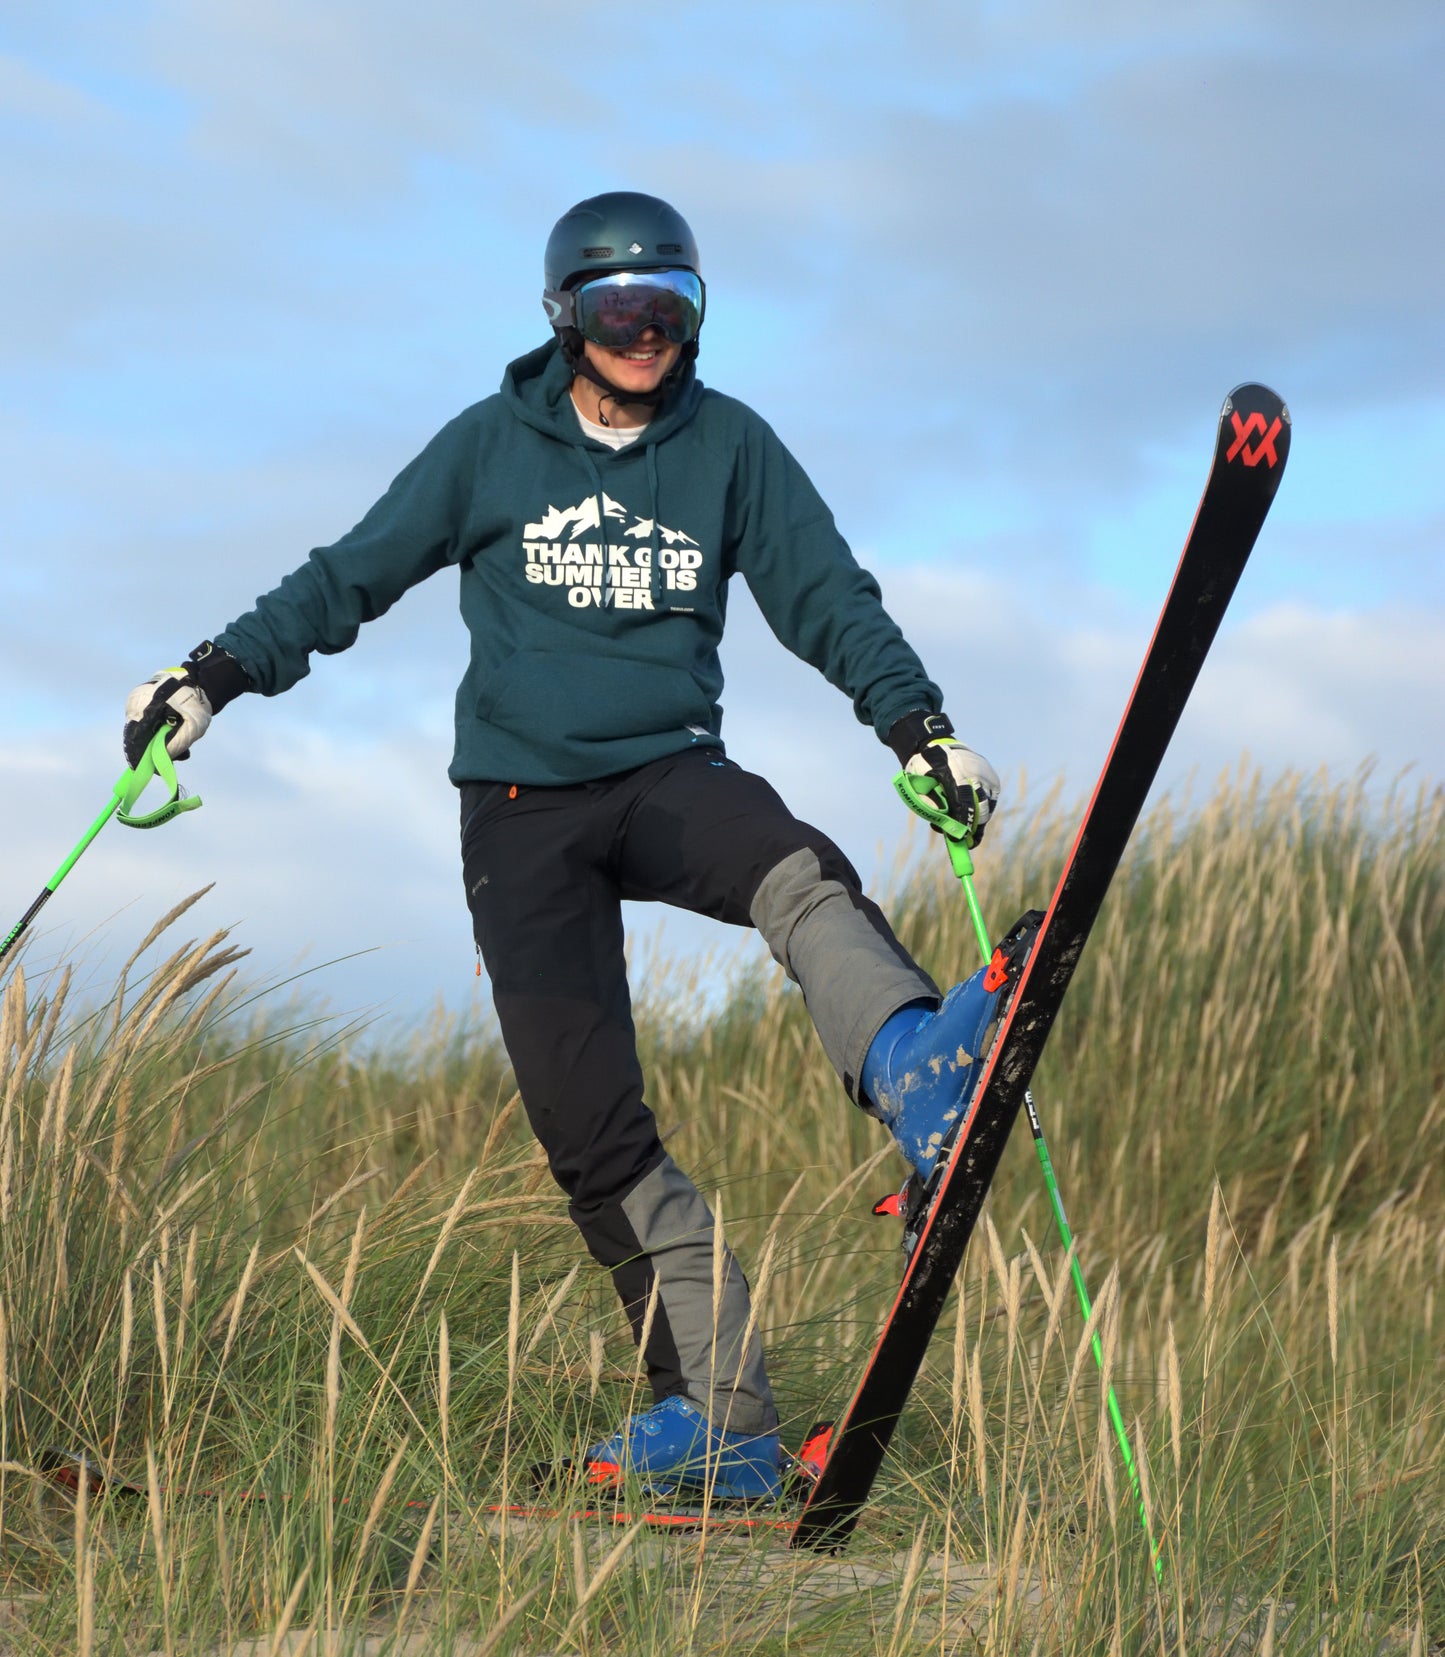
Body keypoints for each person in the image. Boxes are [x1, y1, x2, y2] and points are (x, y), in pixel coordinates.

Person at [122, 191, 1005, 1503]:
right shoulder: (490, 447)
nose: (646, 334)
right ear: (566, 318)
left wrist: (916, 726)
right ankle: (721, 1422)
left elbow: (827, 593)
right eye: (617, 309)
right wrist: (211, 676)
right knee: (589, 1130)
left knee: (793, 863)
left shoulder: (729, 446)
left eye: (671, 308)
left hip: (664, 773)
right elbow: (348, 574)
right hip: (520, 815)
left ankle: (919, 1068)